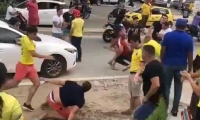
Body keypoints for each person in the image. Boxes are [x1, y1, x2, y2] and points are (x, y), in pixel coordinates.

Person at [2, 26, 54, 111]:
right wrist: (47, 57)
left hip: (30, 66)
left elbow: (19, 40)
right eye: (34, 34)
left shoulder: (24, 38)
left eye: (36, 34)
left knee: (37, 83)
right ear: (29, 33)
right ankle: (1, 89)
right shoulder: (28, 42)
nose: (35, 35)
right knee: (14, 84)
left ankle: (27, 104)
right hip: (23, 66)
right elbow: (34, 54)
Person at [161, 18, 193, 116]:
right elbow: (190, 55)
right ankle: (174, 110)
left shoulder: (168, 35)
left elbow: (163, 50)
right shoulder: (188, 38)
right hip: (181, 66)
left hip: (168, 64)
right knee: (178, 87)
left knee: (166, 86)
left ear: (175, 25)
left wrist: (162, 61)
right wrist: (189, 69)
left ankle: (165, 107)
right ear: (185, 27)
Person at [132, 45, 164, 120]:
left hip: (152, 101)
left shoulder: (152, 66)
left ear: (144, 54)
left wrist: (146, 97)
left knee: (136, 117)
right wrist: (142, 80)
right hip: (159, 100)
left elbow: (156, 85)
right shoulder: (157, 64)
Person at [121, 35, 144, 115]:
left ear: (137, 41)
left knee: (136, 95)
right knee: (132, 94)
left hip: (136, 75)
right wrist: (127, 67)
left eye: (132, 42)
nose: (130, 44)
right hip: (132, 73)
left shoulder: (141, 52)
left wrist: (137, 75)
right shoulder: (135, 50)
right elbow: (134, 62)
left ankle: (139, 114)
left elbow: (141, 65)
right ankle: (131, 110)